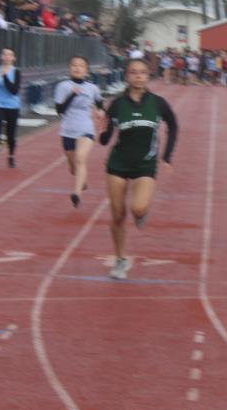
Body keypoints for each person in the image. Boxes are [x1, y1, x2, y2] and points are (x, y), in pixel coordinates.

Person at [100, 58, 178, 279]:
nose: (138, 76)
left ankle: (141, 214)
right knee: (117, 215)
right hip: (118, 163)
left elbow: (173, 125)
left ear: (147, 76)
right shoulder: (117, 104)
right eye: (134, 72)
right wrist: (102, 125)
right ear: (127, 76)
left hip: (145, 164)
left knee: (138, 209)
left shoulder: (158, 103)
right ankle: (120, 259)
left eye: (143, 72)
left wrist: (167, 156)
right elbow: (105, 140)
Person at [54, 55, 105, 208]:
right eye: (74, 65)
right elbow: (59, 110)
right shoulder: (63, 86)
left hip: (86, 129)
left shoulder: (92, 88)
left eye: (81, 65)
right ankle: (82, 180)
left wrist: (100, 111)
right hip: (67, 131)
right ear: (70, 68)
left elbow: (99, 101)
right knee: (73, 168)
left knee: (80, 159)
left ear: (86, 70)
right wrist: (72, 95)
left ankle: (76, 194)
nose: (77, 68)